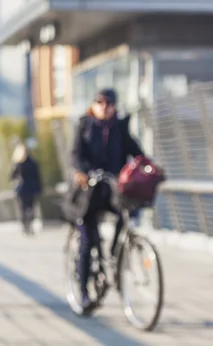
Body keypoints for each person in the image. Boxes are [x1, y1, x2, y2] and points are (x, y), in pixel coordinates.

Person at [68, 88, 144, 313]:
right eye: (99, 102)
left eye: (108, 103)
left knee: (127, 215)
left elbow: (135, 152)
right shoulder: (84, 126)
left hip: (112, 190)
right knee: (87, 241)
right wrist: (82, 171)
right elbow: (75, 154)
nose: (104, 106)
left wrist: (146, 166)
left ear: (114, 107)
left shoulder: (120, 128)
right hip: (88, 192)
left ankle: (113, 253)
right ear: (93, 104)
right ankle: (82, 293)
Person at [11, 143, 42, 236]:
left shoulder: (18, 163)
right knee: (30, 207)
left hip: (21, 189)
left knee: (23, 208)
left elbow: (12, 176)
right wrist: (39, 188)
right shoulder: (33, 162)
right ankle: (30, 223)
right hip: (32, 188)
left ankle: (25, 226)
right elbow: (37, 176)